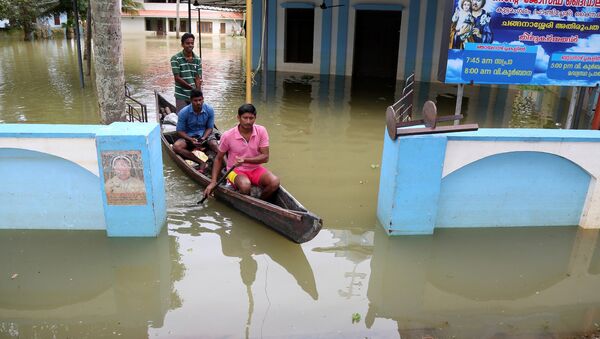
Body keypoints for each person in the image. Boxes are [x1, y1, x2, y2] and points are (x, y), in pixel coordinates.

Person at [203, 103, 280, 200]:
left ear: (255, 118)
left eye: (251, 118)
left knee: (275, 182)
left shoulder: (261, 131)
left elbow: (265, 157)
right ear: (238, 118)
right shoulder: (228, 135)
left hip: (255, 169)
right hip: (234, 170)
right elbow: (218, 158)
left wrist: (244, 160)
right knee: (245, 186)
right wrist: (213, 182)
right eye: (245, 118)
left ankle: (260, 202)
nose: (248, 121)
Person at [174, 89, 220, 171]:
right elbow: (179, 131)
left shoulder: (209, 110)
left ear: (203, 99)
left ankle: (228, 167)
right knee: (176, 147)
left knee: (215, 145)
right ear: (191, 100)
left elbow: (210, 128)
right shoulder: (183, 112)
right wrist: (190, 139)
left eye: (200, 100)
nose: (198, 103)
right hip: (189, 136)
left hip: (205, 135)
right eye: (195, 100)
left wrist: (204, 138)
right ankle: (201, 162)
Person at [171, 32, 203, 113]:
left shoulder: (197, 59)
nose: (190, 45)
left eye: (192, 43)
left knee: (196, 117)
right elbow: (177, 78)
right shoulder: (175, 58)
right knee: (182, 117)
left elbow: (197, 78)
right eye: (187, 43)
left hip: (194, 96)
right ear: (182, 44)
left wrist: (198, 93)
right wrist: (192, 88)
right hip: (181, 94)